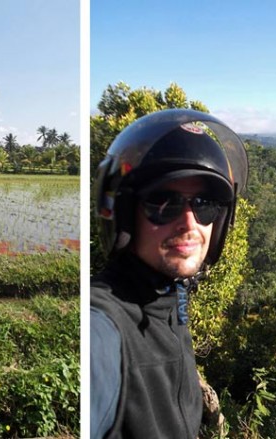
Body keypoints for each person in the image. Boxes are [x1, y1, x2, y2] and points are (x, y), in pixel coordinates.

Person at [90, 108, 249, 438]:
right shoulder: (104, 326)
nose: (190, 223)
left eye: (205, 204)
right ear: (124, 216)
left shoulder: (173, 298)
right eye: (163, 202)